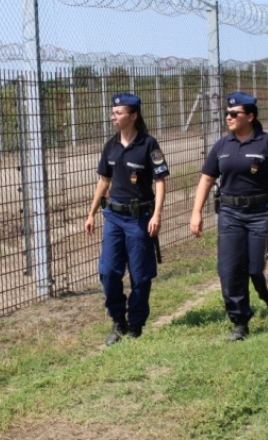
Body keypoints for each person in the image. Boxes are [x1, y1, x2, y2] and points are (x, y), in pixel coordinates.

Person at [190, 91, 268, 342]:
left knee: (261, 270)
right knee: (230, 270)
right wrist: (196, 212)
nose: (229, 117)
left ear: (250, 115)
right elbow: (206, 179)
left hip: (262, 213)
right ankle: (239, 322)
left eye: (234, 113)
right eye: (227, 113)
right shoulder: (221, 146)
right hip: (230, 215)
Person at [85, 93, 169, 346]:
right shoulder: (110, 146)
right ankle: (118, 320)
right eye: (113, 112)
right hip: (113, 217)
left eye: (119, 113)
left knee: (140, 276)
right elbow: (104, 181)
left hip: (139, 218)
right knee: (108, 272)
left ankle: (136, 324)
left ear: (134, 116)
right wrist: (90, 214)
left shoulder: (148, 145)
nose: (114, 116)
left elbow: (161, 181)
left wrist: (157, 214)